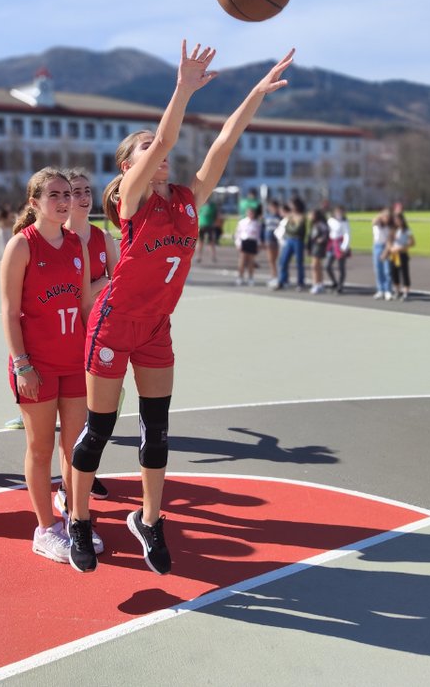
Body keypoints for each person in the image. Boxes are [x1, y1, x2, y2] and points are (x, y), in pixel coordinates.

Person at [66, 41, 294, 575]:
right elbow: (168, 133)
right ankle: (78, 518)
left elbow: (224, 141)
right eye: (147, 151)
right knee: (99, 428)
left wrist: (255, 95)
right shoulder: (132, 202)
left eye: (161, 151)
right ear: (128, 168)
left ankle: (150, 520)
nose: (162, 153)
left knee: (156, 430)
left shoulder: (189, 200)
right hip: (113, 322)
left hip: (154, 329)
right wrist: (182, 88)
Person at [0, 168, 96, 564]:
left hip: (75, 362)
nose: (63, 200)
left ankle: (76, 522)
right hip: (36, 364)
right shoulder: (22, 246)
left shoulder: (76, 243)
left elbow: (86, 303)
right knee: (40, 448)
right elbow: (8, 312)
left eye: (68, 194)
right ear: (34, 201)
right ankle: (44, 528)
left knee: (77, 449)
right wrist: (22, 365)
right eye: (54, 194)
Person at [60, 167, 120, 502]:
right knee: (74, 418)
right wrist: (100, 284)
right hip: (66, 335)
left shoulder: (102, 238)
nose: (81, 198)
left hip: (98, 334)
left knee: (95, 416)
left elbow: (117, 281)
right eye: (73, 192)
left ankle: (86, 471)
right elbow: (80, 291)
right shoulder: (56, 238)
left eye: (85, 191)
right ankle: (68, 483)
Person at [274, 197, 308, 291]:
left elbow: (297, 229)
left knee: (299, 263)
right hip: (289, 240)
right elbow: (287, 228)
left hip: (298, 240)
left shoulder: (301, 216)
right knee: (283, 261)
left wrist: (290, 230)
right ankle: (282, 281)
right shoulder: (290, 216)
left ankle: (300, 283)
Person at [387, 210, 415, 301]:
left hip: (402, 254)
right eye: (395, 219)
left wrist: (401, 248)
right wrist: (390, 248)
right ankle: (397, 291)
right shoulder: (393, 230)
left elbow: (412, 242)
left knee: (404, 273)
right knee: (394, 273)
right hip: (393, 255)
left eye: (398, 219)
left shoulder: (407, 230)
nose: (397, 221)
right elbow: (388, 241)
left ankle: (406, 292)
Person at [233, 204, 261, 286]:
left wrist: (258, 244)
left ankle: (251, 278)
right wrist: (238, 243)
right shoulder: (242, 222)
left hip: (252, 242)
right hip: (244, 242)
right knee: (242, 261)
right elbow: (237, 233)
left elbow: (258, 235)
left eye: (252, 213)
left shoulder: (256, 223)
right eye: (249, 213)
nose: (250, 214)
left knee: (251, 262)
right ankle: (240, 277)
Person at [371, 207, 393, 300]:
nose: (386, 219)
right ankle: (380, 290)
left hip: (386, 247)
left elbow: (389, 240)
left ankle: (388, 290)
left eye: (387, 217)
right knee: (378, 269)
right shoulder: (377, 224)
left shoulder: (390, 227)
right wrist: (381, 214)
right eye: (384, 217)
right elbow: (374, 221)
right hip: (377, 246)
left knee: (387, 270)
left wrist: (386, 252)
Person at [307, 208, 330, 295]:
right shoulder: (313, 224)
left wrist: (321, 239)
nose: (309, 216)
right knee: (316, 266)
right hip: (314, 246)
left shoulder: (321, 224)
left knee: (315, 266)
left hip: (318, 247)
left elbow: (326, 233)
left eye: (311, 214)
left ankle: (316, 284)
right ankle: (319, 283)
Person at [262, 199, 282, 286]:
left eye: (273, 207)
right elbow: (263, 228)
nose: (272, 208)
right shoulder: (267, 216)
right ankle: (273, 275)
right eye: (270, 207)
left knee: (278, 259)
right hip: (269, 239)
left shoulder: (280, 216)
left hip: (277, 240)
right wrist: (262, 239)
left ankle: (279, 276)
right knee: (271, 260)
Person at [196, 195, 219, 263]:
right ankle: (198, 256)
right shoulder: (200, 205)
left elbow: (216, 215)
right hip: (201, 225)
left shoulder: (212, 206)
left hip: (210, 226)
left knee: (211, 242)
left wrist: (214, 223)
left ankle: (213, 256)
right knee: (200, 242)